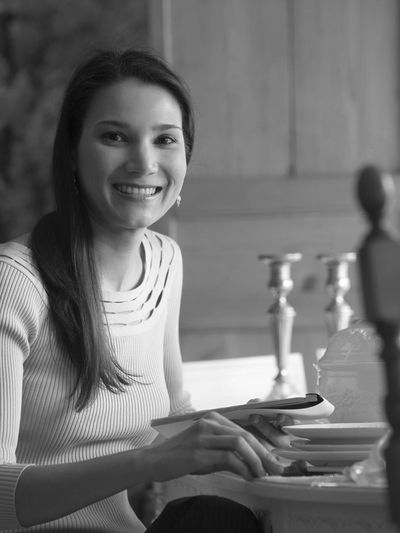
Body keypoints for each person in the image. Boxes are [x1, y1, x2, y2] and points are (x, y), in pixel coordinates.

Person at [0, 48, 290, 532]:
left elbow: (171, 417)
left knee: (219, 519)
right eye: (115, 136)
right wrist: (151, 464)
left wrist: (235, 428)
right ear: (72, 151)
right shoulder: (14, 282)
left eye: (165, 140)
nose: (144, 161)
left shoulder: (164, 260)